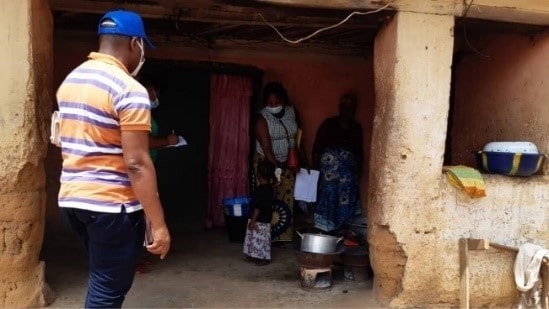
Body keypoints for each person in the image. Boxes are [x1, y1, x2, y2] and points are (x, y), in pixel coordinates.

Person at [55, 9, 170, 308]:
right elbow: (137, 162)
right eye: (142, 47)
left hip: (73, 200)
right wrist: (158, 224)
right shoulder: (128, 89)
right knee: (108, 291)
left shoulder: (71, 80)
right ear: (135, 44)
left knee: (101, 276)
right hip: (110, 205)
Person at [254, 82, 306, 242]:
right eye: (270, 103)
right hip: (267, 164)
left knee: (286, 200)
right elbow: (267, 146)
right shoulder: (262, 117)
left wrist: (300, 159)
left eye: (276, 102)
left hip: (289, 161)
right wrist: (277, 169)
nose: (273, 105)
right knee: (268, 199)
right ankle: (266, 238)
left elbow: (298, 135)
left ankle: (283, 236)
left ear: (283, 100)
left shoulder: (291, 112)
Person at [312, 92, 364, 234]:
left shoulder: (355, 128)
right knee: (329, 193)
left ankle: (341, 229)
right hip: (330, 173)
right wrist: (316, 172)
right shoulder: (329, 125)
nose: (347, 110)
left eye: (351, 107)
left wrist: (358, 170)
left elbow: (358, 153)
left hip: (347, 175)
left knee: (345, 196)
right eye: (345, 106)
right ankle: (325, 230)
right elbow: (317, 149)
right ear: (340, 108)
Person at [243, 160, 276, 266]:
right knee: (262, 239)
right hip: (266, 219)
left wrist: (253, 220)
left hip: (258, 218)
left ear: (258, 175)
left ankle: (263, 258)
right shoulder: (270, 189)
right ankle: (256, 255)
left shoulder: (259, 190)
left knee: (256, 238)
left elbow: (258, 207)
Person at [142, 81, 178, 162]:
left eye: (156, 93)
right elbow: (145, 142)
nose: (154, 96)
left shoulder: (147, 113)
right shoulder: (137, 112)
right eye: (150, 91)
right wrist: (168, 141)